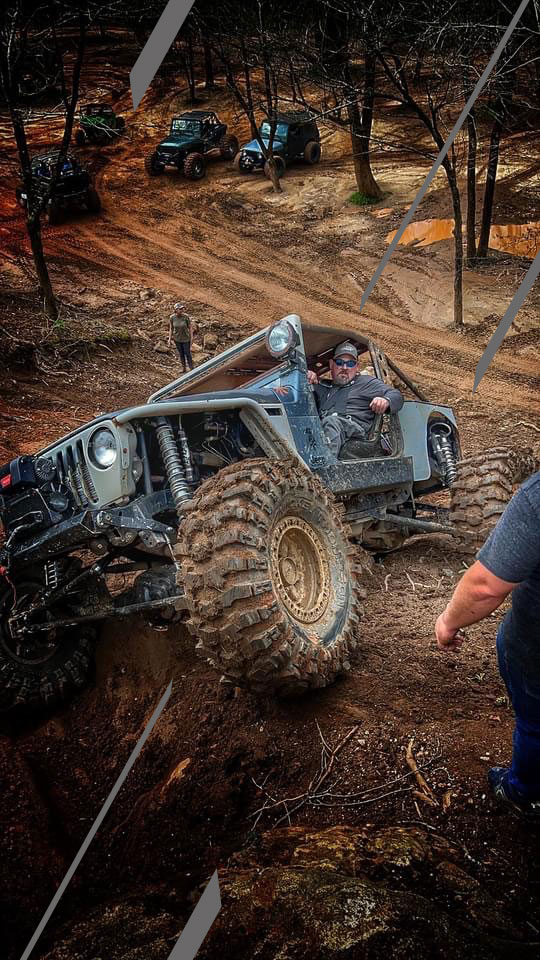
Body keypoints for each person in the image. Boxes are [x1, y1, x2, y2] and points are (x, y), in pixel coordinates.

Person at [435, 470, 540, 817]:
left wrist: (448, 622)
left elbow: (485, 586)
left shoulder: (536, 497)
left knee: (535, 722)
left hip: (534, 651)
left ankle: (524, 792)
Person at [307, 341, 404, 457]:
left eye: (350, 364)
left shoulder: (366, 383)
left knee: (331, 422)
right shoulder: (323, 386)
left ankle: (325, 465)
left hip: (356, 433)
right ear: (331, 364)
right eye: (339, 363)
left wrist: (386, 400)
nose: (345, 367)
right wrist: (306, 375)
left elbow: (396, 395)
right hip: (327, 431)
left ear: (357, 367)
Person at [168, 302, 195, 373]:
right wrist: (169, 339)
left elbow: (190, 327)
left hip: (186, 338)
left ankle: (191, 368)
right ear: (176, 310)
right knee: (181, 354)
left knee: (187, 353)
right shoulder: (172, 317)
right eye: (180, 309)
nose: (181, 310)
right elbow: (171, 328)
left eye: (182, 309)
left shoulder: (186, 317)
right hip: (177, 339)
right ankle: (183, 368)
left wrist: (192, 337)